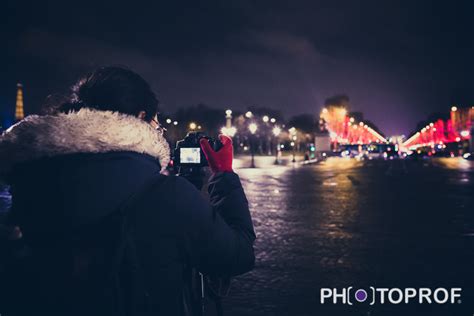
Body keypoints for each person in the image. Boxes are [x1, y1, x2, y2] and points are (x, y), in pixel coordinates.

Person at [0, 66, 255, 315]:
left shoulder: (28, 185)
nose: (159, 130)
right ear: (141, 118)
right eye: (157, 122)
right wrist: (223, 176)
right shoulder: (167, 196)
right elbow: (237, 255)